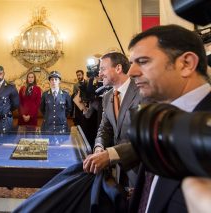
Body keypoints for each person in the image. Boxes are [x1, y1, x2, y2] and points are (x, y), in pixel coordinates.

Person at [127, 24, 211, 212]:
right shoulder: (159, 119)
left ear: (186, 64)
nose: (131, 72)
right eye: (132, 62)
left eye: (143, 61)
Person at [83, 52, 142, 189]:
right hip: (119, 171)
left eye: (103, 69)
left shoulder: (141, 91)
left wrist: (109, 155)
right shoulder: (107, 96)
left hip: (139, 169)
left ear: (118, 68)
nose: (100, 73)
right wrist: (98, 148)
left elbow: (144, 138)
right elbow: (104, 128)